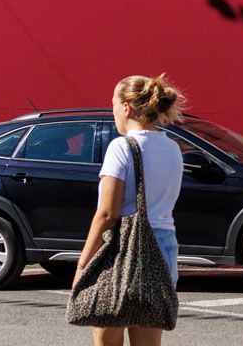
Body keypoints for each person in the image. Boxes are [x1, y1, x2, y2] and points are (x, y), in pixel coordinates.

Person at [76, 75, 185, 346]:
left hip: (122, 250)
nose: (112, 111)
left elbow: (107, 215)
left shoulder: (121, 147)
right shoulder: (173, 148)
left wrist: (82, 264)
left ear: (126, 107)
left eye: (112, 104)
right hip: (163, 248)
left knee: (107, 337)